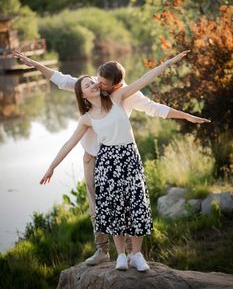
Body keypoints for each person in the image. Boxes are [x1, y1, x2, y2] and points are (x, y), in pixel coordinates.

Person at [13, 50, 210, 266]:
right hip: (95, 157)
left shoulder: (122, 95)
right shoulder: (90, 93)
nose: (97, 84)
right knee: (100, 206)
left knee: (131, 202)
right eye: (94, 81)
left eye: (101, 83)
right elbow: (62, 81)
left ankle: (132, 254)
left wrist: (184, 112)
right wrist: (34, 64)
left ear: (115, 85)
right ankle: (104, 251)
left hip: (125, 154)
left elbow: (154, 103)